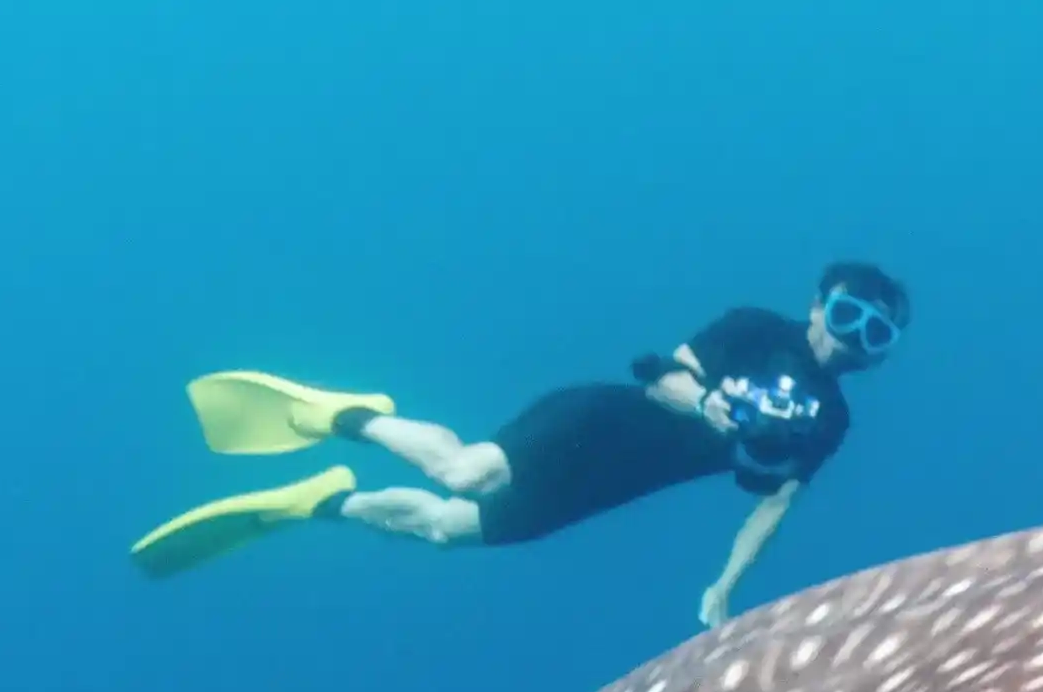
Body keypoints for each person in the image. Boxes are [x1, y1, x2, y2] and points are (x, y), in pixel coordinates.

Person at [132, 263, 908, 626]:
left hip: (613, 486)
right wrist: (709, 406)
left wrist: (725, 590)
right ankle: (346, 416)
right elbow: (667, 377)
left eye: (874, 336)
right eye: (848, 317)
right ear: (819, 305)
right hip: (597, 422)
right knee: (466, 471)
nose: (853, 341)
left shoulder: (830, 422)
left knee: (445, 530)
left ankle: (317, 501)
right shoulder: (755, 329)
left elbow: (774, 505)